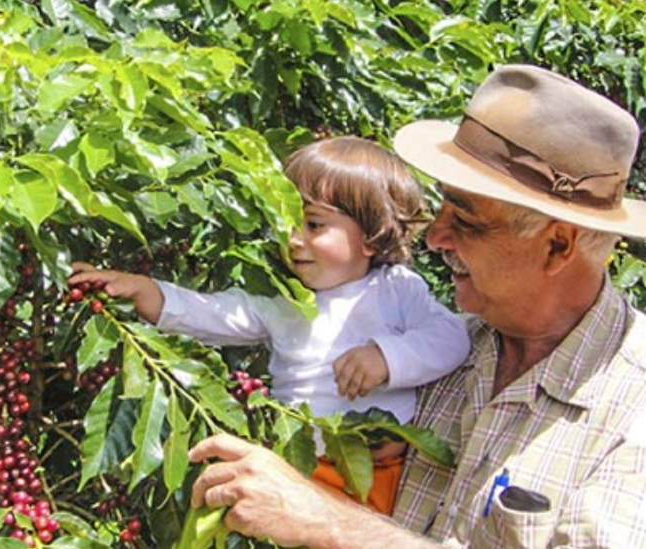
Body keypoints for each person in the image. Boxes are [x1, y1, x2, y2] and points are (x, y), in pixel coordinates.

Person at [186, 64, 646, 549]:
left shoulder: (632, 414)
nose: (434, 236)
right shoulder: (440, 346)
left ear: (556, 247)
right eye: (443, 207)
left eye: (465, 219)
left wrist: (331, 523)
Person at [70, 136, 470, 514]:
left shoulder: (396, 289)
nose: (294, 239)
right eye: (288, 223)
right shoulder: (283, 298)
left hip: (377, 477)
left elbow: (451, 338)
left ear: (372, 236)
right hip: (298, 470)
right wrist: (144, 290)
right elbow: (210, 314)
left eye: (314, 225)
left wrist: (388, 357)